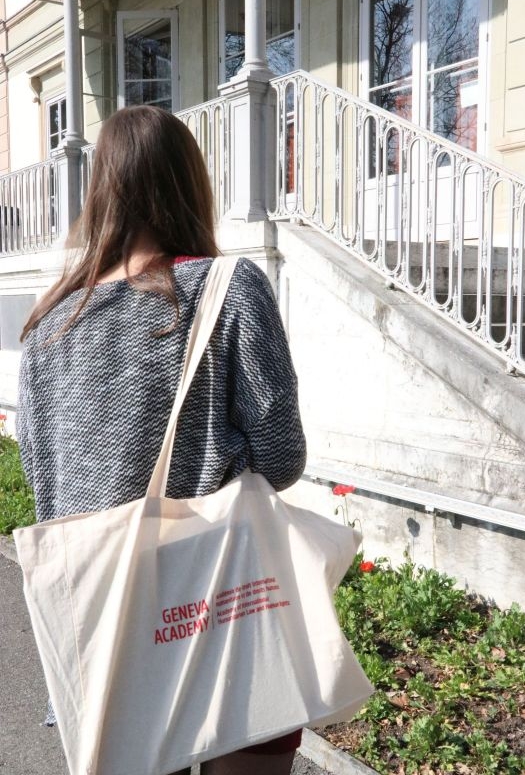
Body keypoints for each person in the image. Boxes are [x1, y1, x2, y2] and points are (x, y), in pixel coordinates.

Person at [16, 105, 307, 775]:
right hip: (220, 607)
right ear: (188, 184)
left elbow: (47, 479)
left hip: (102, 624)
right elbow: (282, 458)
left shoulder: (45, 327)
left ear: (100, 192)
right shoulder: (227, 290)